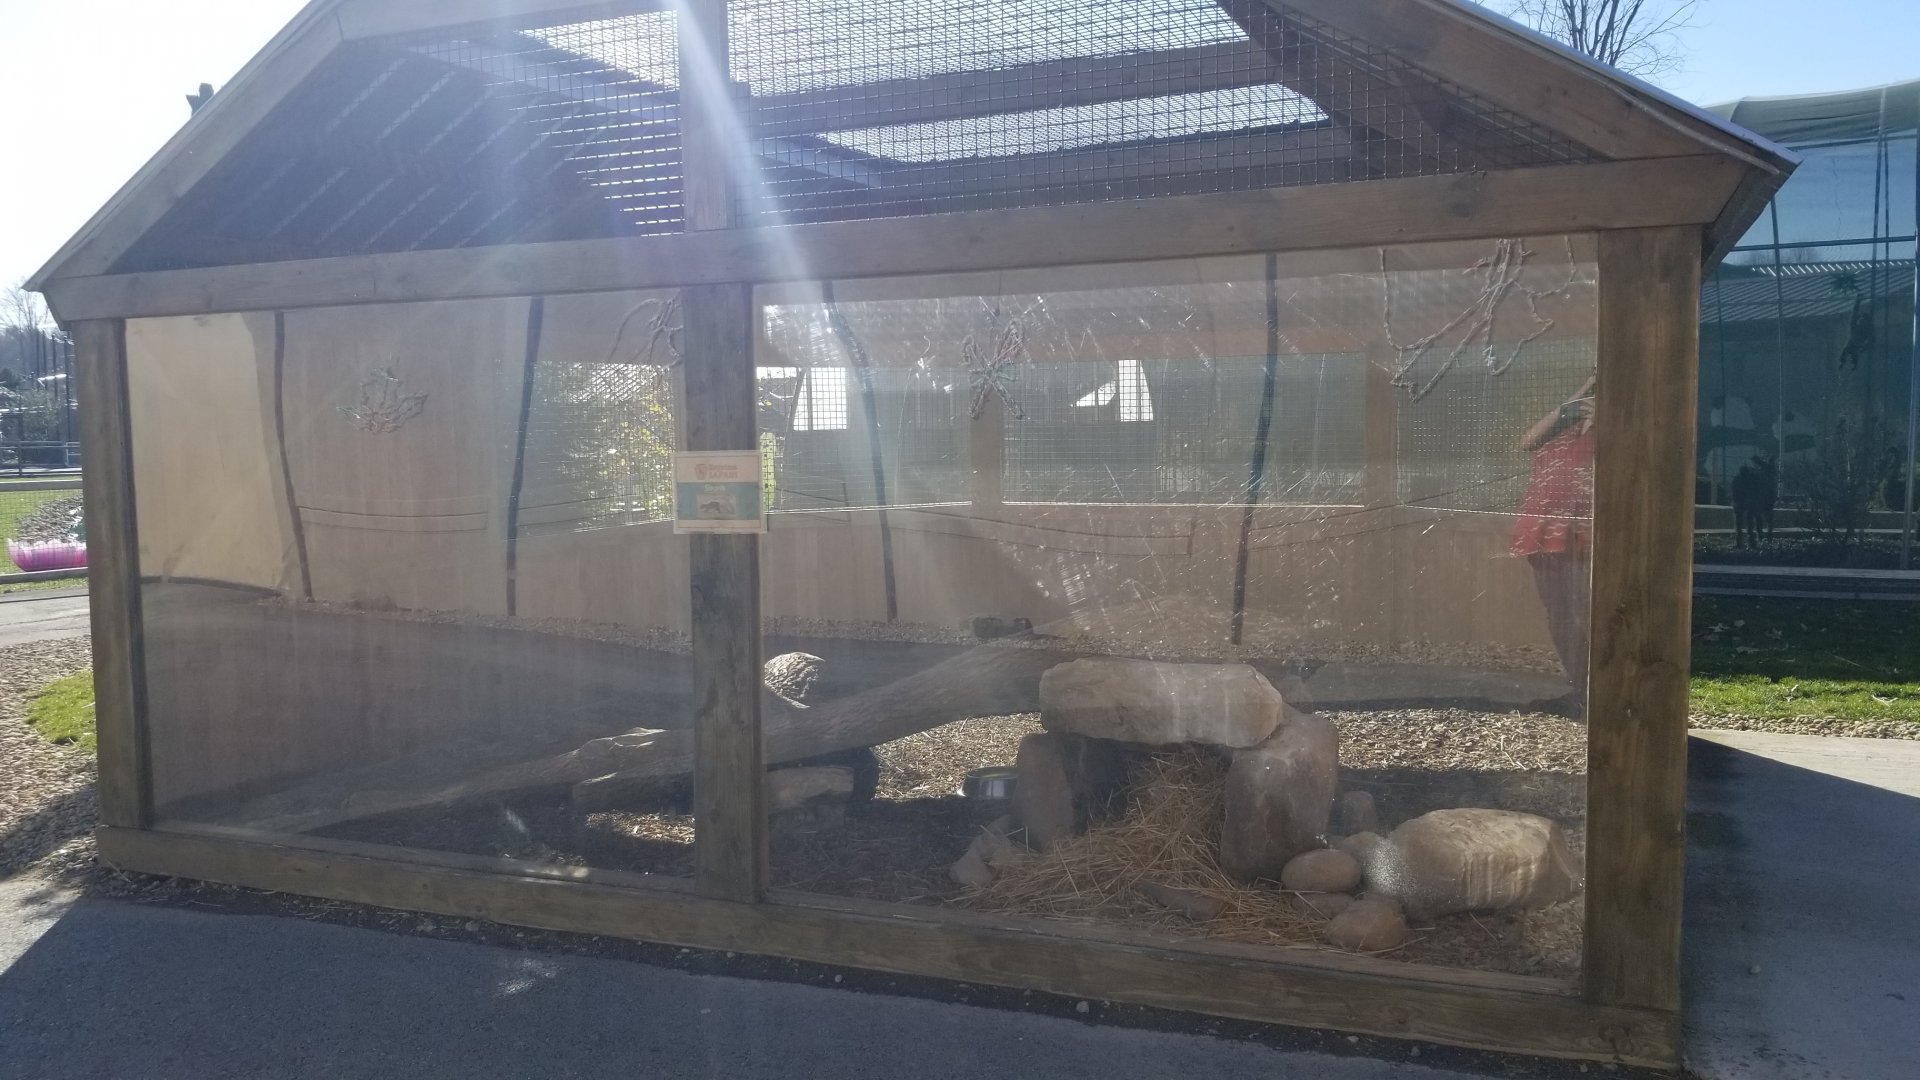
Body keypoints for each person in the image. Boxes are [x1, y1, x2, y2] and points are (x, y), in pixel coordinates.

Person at [1513, 375, 1595, 716]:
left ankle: (1598, 693)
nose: (1595, 392)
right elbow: (1527, 441)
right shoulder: (1564, 425)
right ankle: (1579, 689)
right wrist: (1567, 407)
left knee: (1584, 612)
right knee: (1559, 612)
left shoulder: (1620, 424)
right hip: (1547, 530)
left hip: (1585, 533)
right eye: (1592, 384)